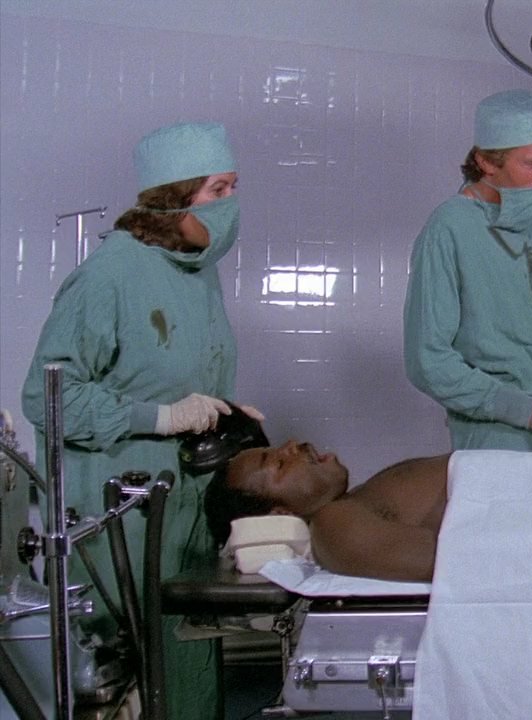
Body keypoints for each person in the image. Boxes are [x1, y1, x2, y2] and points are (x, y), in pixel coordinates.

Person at [22, 121, 259, 720]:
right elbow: (46, 398)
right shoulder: (110, 275)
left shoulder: (197, 271)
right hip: (119, 520)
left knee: (185, 666)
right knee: (134, 677)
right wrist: (161, 417)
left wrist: (223, 414)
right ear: (173, 197)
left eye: (234, 188)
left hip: (183, 510)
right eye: (218, 190)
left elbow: (173, 375)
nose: (231, 204)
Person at [403, 89, 532, 458]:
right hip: (501, 443)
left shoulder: (531, 228)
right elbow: (428, 363)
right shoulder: (450, 228)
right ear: (486, 162)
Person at [206, 440, 446, 581]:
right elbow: (457, 562)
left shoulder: (357, 502)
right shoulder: (333, 525)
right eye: (280, 463)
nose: (292, 444)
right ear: (280, 514)